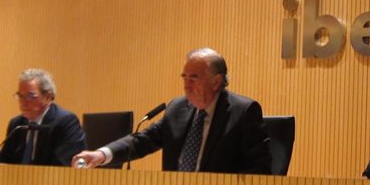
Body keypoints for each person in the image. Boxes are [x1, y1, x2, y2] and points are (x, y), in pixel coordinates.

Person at [72, 48, 271, 174]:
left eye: (194, 78)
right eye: (184, 78)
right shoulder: (177, 108)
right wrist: (102, 154)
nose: (186, 85)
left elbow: (259, 169)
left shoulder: (243, 112)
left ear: (216, 81)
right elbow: (143, 140)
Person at [0, 68, 86, 166]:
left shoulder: (66, 122)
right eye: (20, 96)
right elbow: (4, 161)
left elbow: (61, 166)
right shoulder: (17, 124)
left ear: (47, 97)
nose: (23, 102)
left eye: (30, 96)